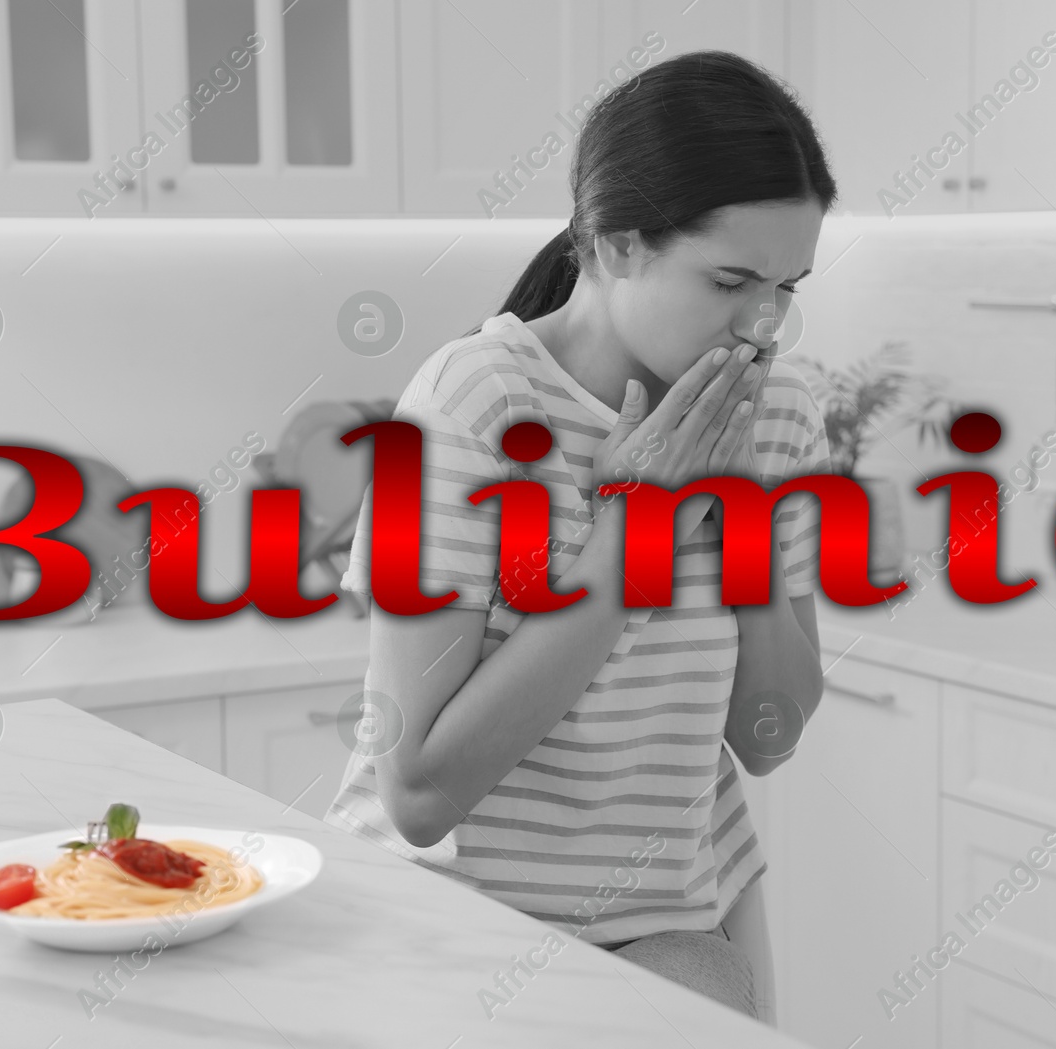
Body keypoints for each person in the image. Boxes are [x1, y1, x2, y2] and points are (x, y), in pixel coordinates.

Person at [326, 49, 836, 1020]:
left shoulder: (773, 415)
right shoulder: (473, 403)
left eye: (789, 284)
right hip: (448, 914)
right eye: (731, 279)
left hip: (664, 914)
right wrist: (632, 536)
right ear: (612, 243)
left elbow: (765, 733)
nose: (767, 326)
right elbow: (421, 790)